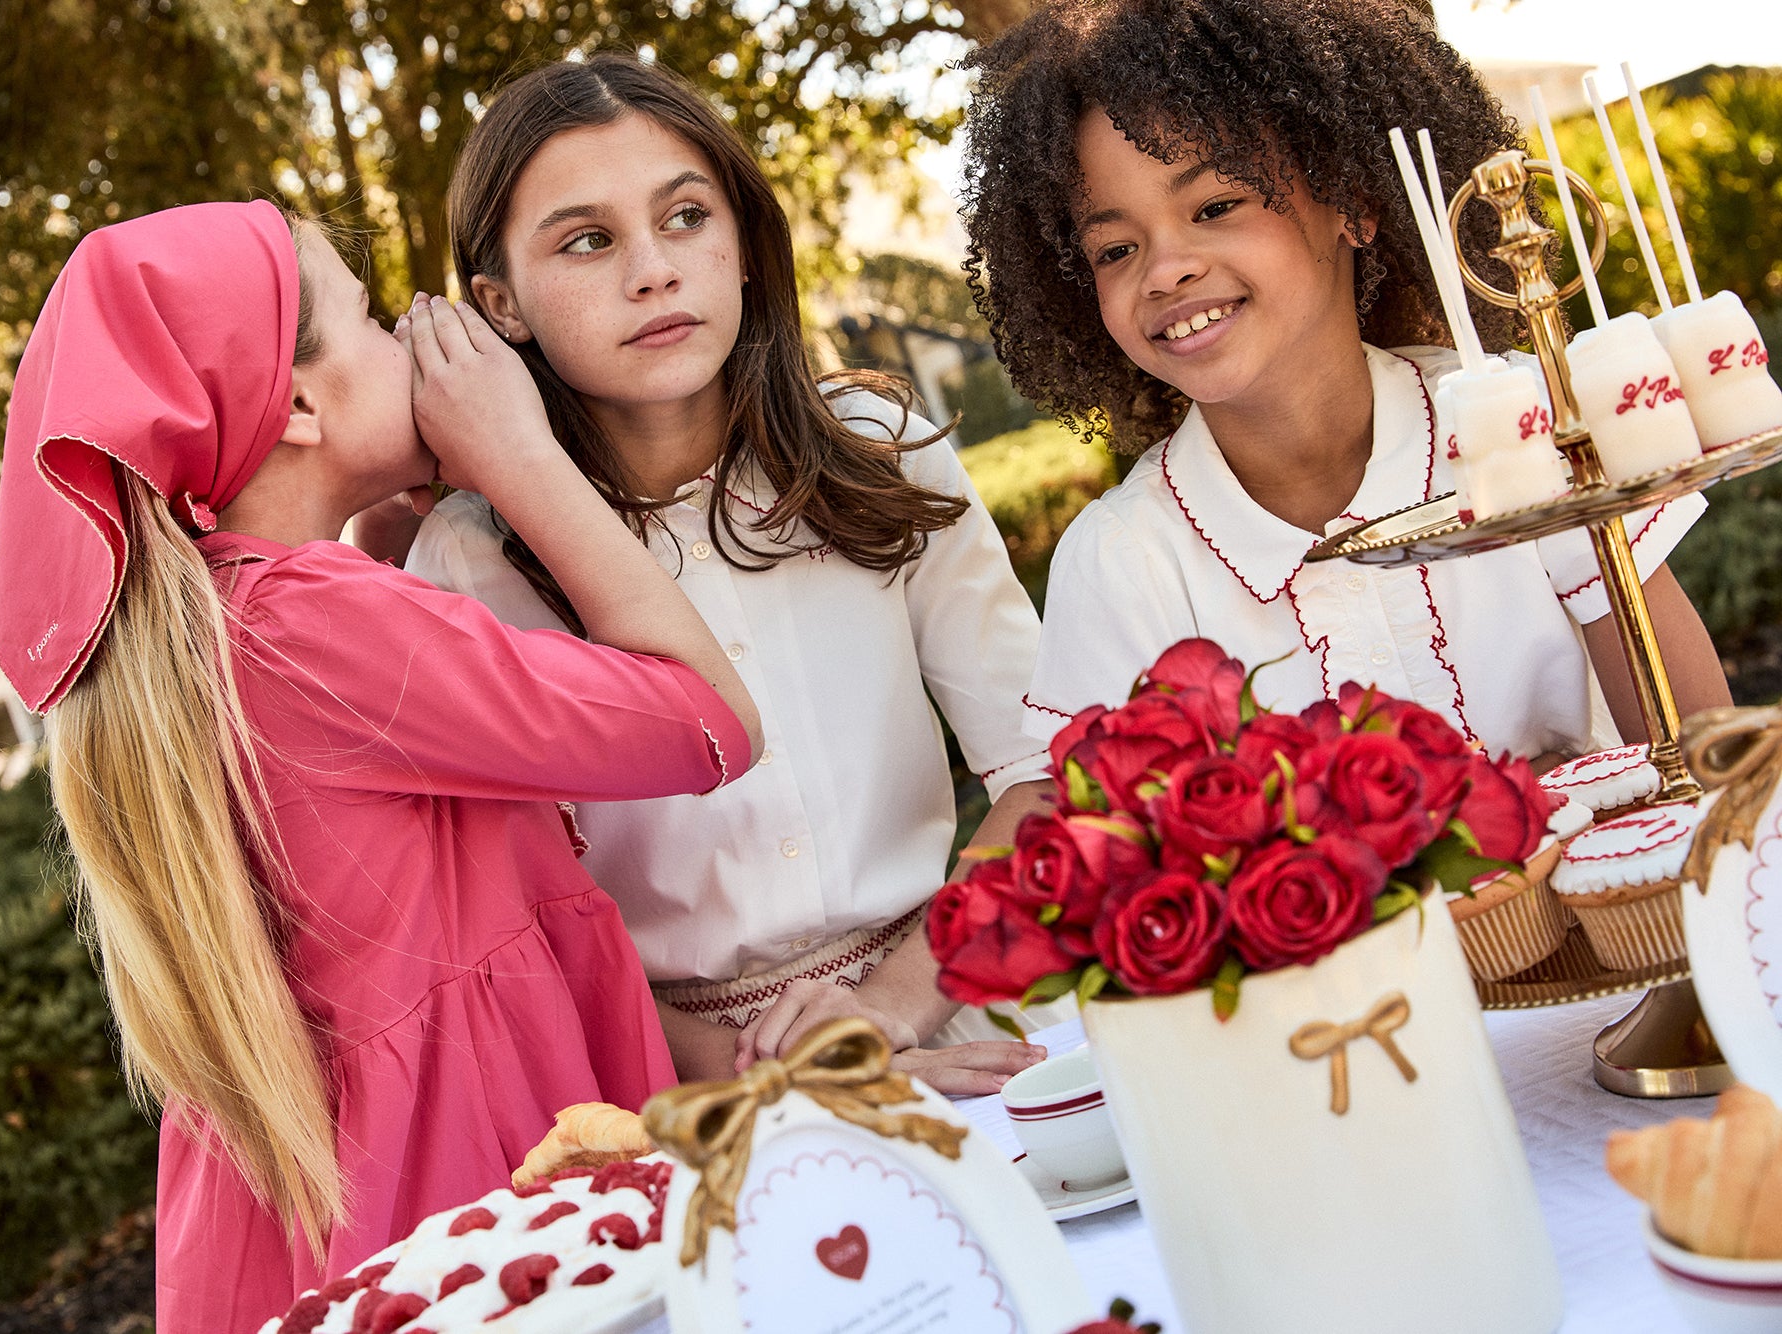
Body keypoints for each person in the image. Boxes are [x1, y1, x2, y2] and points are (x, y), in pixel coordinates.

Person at [0, 200, 763, 1333]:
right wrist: (523, 460)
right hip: (470, 1197)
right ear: (298, 401)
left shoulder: (227, 627)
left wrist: (403, 533)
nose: (410, 336)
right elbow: (704, 718)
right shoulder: (310, 624)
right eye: (368, 319)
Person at [393, 54, 1052, 1092]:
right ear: (499, 303)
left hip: (946, 1017)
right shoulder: (466, 568)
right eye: (587, 239)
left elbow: (1043, 774)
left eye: (686, 216)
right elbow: (510, 921)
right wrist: (765, 1079)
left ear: (743, 246)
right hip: (677, 1090)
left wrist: (886, 1013)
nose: (652, 268)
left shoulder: (880, 450)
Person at [959, 0, 1731, 761]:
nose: (1167, 270)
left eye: (1217, 204)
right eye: (1115, 250)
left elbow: (1703, 761)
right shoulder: (1123, 560)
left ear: (1353, 203)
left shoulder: (1523, 424)